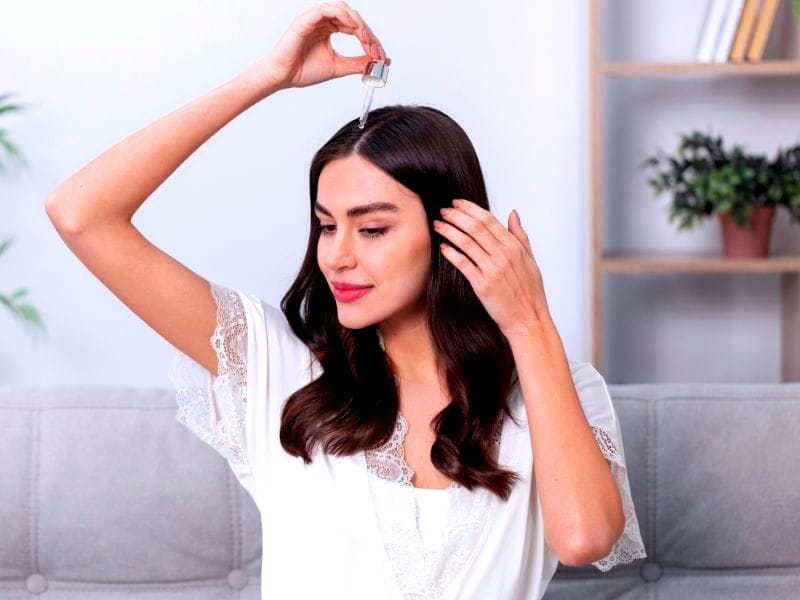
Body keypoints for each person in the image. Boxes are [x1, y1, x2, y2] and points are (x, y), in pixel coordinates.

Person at [44, 2, 646, 598]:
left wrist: (529, 320)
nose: (336, 256)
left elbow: (585, 539)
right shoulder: (280, 373)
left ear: (453, 232)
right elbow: (81, 214)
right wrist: (268, 77)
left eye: (373, 228)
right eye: (327, 225)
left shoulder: (548, 390)